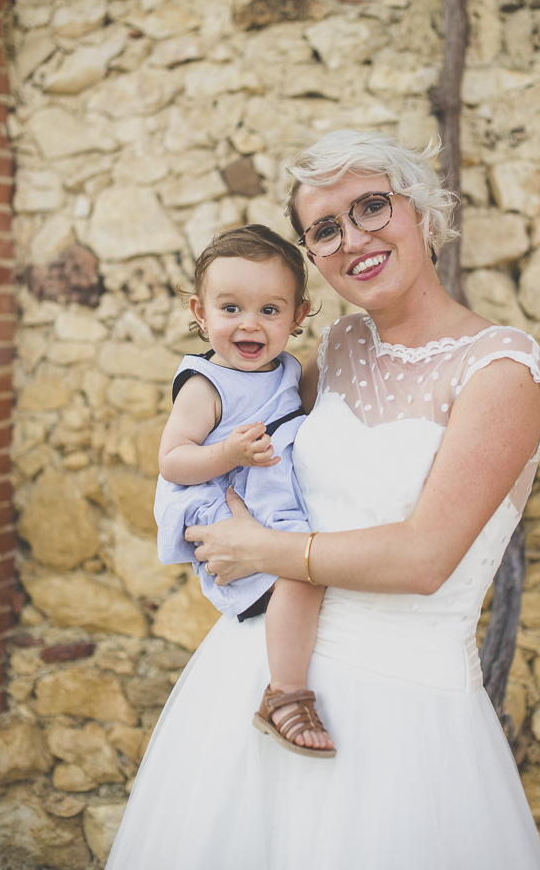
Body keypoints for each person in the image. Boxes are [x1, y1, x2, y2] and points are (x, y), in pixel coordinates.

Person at [107, 131, 540, 870]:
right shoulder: (335, 349)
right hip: (259, 672)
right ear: (313, 261)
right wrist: (206, 515)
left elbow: (425, 557)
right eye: (325, 229)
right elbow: (249, 446)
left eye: (372, 207)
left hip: (403, 709)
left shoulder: (499, 369)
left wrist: (267, 550)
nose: (353, 239)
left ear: (425, 215)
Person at [155, 224, 335, 753]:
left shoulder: (286, 370)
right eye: (229, 308)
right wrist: (227, 454)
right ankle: (285, 694)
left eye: (270, 311)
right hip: (218, 503)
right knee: (302, 576)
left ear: (299, 315)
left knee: (305, 572)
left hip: (265, 500)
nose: (249, 324)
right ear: (199, 312)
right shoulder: (206, 384)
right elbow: (172, 460)